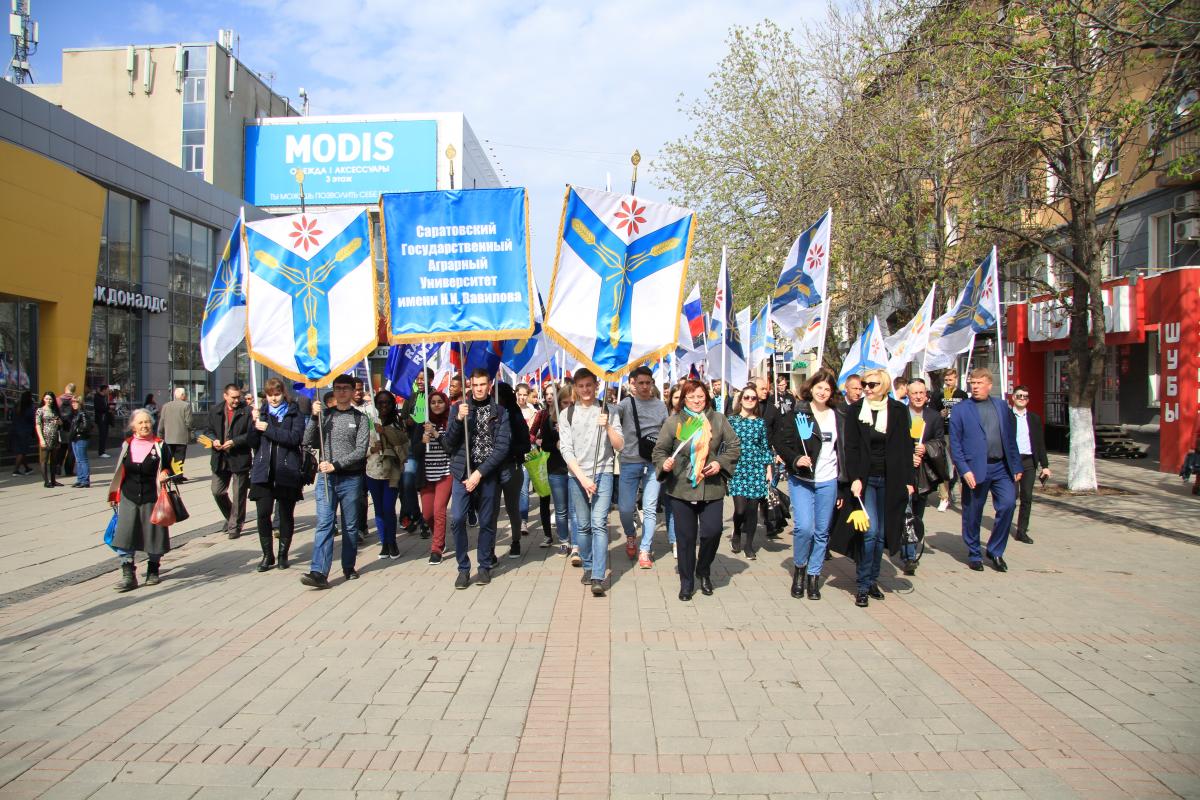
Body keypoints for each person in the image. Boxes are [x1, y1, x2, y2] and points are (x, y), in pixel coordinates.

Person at [653, 380, 739, 601]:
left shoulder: (718, 420)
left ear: (707, 397)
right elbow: (660, 450)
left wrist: (720, 462)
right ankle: (687, 581)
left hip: (711, 488)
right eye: (691, 397)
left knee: (713, 531)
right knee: (686, 538)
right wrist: (664, 464)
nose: (696, 401)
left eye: (700, 396)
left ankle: (703, 569)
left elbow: (734, 445)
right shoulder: (674, 422)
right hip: (682, 488)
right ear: (684, 399)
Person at [771, 369, 847, 600]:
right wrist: (795, 458)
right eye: (819, 387)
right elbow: (780, 442)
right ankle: (800, 569)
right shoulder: (798, 413)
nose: (822, 392)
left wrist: (843, 484)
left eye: (827, 388)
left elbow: (844, 451)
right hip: (802, 479)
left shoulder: (839, 416)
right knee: (805, 528)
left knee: (822, 531)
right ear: (810, 388)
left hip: (828, 479)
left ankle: (814, 576)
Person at [843, 367, 916, 607]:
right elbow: (851, 447)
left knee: (883, 534)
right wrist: (854, 477)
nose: (866, 388)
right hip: (866, 480)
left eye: (872, 384)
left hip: (892, 479)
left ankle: (873, 580)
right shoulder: (855, 411)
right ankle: (863, 585)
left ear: (883, 385)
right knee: (870, 532)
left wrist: (909, 481)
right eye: (864, 384)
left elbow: (906, 447)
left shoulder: (898, 410)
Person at [949, 368, 1022, 573]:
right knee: (973, 512)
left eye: (980, 383)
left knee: (1008, 505)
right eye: (973, 383)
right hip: (974, 469)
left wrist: (1016, 465)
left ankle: (995, 550)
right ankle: (974, 553)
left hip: (1001, 467)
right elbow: (955, 444)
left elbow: (1010, 439)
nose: (975, 387)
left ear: (989, 385)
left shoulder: (1000, 406)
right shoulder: (961, 410)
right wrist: (964, 470)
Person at [301, 374, 370, 589]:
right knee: (324, 523)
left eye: (345, 389)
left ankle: (349, 565)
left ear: (352, 392)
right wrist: (313, 418)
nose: (341, 392)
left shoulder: (360, 419)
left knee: (350, 526)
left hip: (351, 478)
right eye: (338, 388)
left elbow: (360, 451)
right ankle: (318, 571)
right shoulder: (325, 416)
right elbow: (307, 441)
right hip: (326, 479)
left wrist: (337, 464)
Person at [444, 368, 511, 588]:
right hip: (461, 474)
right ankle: (463, 568)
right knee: (457, 519)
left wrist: (479, 473)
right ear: (470, 386)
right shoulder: (458, 408)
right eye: (475, 385)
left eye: (483, 384)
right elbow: (448, 444)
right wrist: (458, 420)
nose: (479, 389)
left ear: (490, 384)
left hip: (487, 474)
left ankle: (484, 565)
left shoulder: (500, 412)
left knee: (487, 522)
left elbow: (501, 448)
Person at [559, 368, 624, 597]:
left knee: (598, 523)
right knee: (583, 525)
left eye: (589, 385)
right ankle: (587, 565)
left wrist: (607, 426)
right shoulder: (567, 413)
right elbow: (565, 450)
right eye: (581, 386)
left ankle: (598, 575)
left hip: (603, 472)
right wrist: (583, 478)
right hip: (577, 476)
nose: (586, 390)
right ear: (575, 388)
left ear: (596, 385)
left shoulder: (609, 410)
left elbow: (620, 445)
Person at [106, 409, 171, 591]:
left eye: (147, 422)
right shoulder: (127, 445)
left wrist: (165, 474)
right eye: (140, 423)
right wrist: (114, 494)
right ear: (133, 426)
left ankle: (153, 569)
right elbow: (120, 471)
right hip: (129, 495)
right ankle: (128, 574)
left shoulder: (160, 445)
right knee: (125, 535)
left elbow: (169, 468)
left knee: (154, 535)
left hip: (152, 496)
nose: (144, 426)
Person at [247, 378, 306, 572]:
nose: (273, 398)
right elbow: (252, 442)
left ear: (283, 393)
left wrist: (269, 429)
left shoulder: (293, 412)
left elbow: (294, 438)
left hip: (286, 471)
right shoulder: (261, 412)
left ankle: (283, 555)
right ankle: (267, 555)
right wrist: (253, 422)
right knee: (263, 515)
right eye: (270, 395)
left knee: (285, 515)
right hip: (263, 472)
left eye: (277, 394)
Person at [616, 366, 667, 568]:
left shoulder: (661, 406)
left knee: (650, 508)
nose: (645, 386)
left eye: (648, 382)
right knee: (625, 509)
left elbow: (668, 432)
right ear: (633, 384)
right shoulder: (626, 404)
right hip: (629, 462)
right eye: (641, 383)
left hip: (653, 464)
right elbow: (610, 412)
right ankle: (631, 535)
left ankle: (645, 550)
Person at [906, 379, 947, 574]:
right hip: (904, 473)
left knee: (916, 514)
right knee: (904, 514)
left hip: (923, 475)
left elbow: (940, 442)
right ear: (908, 394)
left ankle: (911, 551)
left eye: (921, 392)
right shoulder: (900, 413)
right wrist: (908, 455)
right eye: (914, 393)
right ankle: (907, 552)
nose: (918, 396)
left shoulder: (933, 417)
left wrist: (926, 448)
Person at [727, 384, 771, 560]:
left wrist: (768, 469)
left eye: (754, 398)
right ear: (741, 400)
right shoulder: (731, 420)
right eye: (747, 397)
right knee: (740, 509)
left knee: (753, 509)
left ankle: (749, 545)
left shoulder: (760, 422)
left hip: (756, 468)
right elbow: (725, 444)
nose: (750, 400)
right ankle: (737, 530)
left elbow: (764, 446)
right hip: (738, 468)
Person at [532, 384, 576, 556]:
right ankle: (564, 541)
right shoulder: (550, 420)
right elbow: (545, 442)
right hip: (557, 469)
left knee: (575, 509)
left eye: (572, 403)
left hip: (576, 470)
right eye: (565, 403)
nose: (569, 407)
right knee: (561, 508)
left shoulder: (580, 418)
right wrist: (556, 443)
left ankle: (578, 544)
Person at [366, 390, 410, 560]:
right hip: (372, 471)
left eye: (387, 403)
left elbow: (403, 444)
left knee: (388, 508)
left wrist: (384, 431)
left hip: (392, 472)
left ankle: (392, 542)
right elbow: (360, 446)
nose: (383, 406)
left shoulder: (397, 422)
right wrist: (372, 449)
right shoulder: (369, 421)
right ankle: (384, 542)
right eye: (380, 403)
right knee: (378, 510)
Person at [204, 384, 252, 539]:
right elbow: (208, 431)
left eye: (238, 397)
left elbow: (251, 434)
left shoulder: (248, 411)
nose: (236, 400)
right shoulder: (216, 411)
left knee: (239, 494)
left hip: (239, 458)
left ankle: (235, 526)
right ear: (225, 396)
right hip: (220, 458)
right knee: (217, 491)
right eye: (233, 397)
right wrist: (214, 440)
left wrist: (235, 442)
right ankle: (231, 516)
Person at [1009, 385, 1050, 545]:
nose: (1022, 399)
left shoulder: (1034, 418)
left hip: (1029, 461)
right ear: (1013, 397)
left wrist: (1045, 465)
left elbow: (1039, 443)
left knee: (1027, 497)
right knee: (1011, 498)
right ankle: (1004, 526)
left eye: (1025, 396)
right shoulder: (1007, 417)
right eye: (1019, 396)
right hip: (1012, 461)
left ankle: (1022, 531)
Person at [416, 391, 452, 564]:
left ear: (445, 404)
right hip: (427, 476)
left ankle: (436, 548)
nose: (436, 405)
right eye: (433, 402)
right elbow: (414, 451)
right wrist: (423, 441)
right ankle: (440, 537)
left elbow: (451, 448)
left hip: (446, 473)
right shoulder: (422, 424)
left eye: (440, 402)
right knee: (428, 514)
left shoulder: (449, 423)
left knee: (439, 510)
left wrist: (437, 434)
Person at [497, 382, 533, 559]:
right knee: (491, 509)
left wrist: (508, 450)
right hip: (491, 469)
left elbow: (525, 444)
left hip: (512, 466)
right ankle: (488, 549)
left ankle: (516, 541)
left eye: (500, 396)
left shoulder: (515, 415)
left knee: (512, 507)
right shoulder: (489, 413)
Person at [399, 369, 432, 537]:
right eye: (418, 379)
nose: (420, 382)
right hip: (413, 445)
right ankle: (415, 514)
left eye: (423, 379)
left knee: (426, 485)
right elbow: (403, 418)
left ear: (431, 380)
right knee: (407, 481)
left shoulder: (435, 396)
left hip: (429, 448)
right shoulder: (411, 397)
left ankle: (427, 520)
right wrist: (407, 422)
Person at [932, 368, 968, 512]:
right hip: (944, 433)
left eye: (951, 380)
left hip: (959, 434)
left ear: (956, 379)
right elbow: (932, 413)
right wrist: (940, 414)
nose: (948, 383)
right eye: (946, 380)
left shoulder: (962, 395)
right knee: (944, 465)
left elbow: (968, 413)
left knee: (961, 466)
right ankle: (944, 497)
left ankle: (965, 500)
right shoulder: (938, 395)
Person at [157, 388, 193, 478]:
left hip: (168, 437)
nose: (185, 396)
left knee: (170, 457)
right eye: (185, 395)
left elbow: (161, 421)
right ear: (182, 395)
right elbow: (189, 422)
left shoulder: (166, 406)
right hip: (181, 436)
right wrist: (191, 431)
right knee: (179, 457)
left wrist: (160, 434)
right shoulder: (186, 406)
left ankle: (172, 474)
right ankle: (178, 476)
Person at [35, 391, 64, 488]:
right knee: (44, 460)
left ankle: (53, 480)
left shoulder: (55, 410)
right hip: (46, 437)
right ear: (43, 399)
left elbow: (61, 423)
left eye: (50, 399)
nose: (49, 401)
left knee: (54, 460)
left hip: (55, 437)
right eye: (47, 398)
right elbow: (38, 425)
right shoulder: (40, 410)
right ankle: (46, 481)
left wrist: (60, 422)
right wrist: (41, 439)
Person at [66, 395, 93, 488]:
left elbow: (87, 426)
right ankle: (80, 479)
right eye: (72, 402)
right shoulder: (75, 413)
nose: (74, 404)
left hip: (81, 438)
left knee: (82, 459)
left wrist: (77, 430)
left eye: (76, 402)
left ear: (80, 403)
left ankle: (85, 480)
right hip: (75, 438)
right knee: (78, 460)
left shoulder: (83, 413)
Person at [10, 390, 35, 476]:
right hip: (25, 432)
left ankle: (27, 468)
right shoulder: (29, 407)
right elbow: (32, 419)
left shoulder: (17, 406)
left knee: (21, 451)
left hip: (15, 430)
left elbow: (11, 417)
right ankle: (15, 470)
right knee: (22, 451)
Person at [92, 385, 113, 458]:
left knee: (105, 435)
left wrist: (109, 408)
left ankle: (103, 451)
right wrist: (107, 409)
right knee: (102, 435)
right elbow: (98, 408)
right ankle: (101, 452)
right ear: (103, 390)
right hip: (101, 419)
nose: (108, 391)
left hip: (105, 419)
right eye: (107, 389)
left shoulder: (104, 398)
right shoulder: (97, 397)